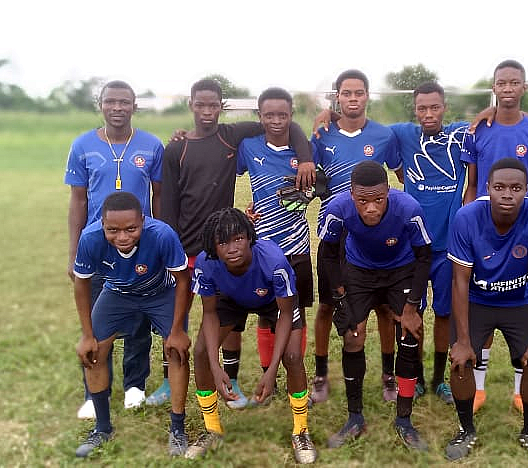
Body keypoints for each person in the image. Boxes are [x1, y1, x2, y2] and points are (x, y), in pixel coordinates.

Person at [155, 78, 314, 408]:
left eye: (213, 105)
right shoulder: (178, 148)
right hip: (188, 250)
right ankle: (171, 379)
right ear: (190, 105)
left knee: (236, 315)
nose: (207, 111)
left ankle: (240, 378)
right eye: (201, 105)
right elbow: (167, 201)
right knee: (182, 318)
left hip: (229, 247)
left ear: (222, 106)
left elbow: (287, 123)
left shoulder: (230, 136)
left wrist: (306, 157)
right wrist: (170, 249)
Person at [445, 158, 528, 461]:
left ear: (527, 190)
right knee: (460, 360)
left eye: (516, 188)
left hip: (518, 301)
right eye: (499, 187)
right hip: (476, 300)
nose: (507, 194)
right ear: (488, 188)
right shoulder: (467, 217)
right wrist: (463, 341)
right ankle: (466, 430)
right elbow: (459, 281)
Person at [462, 60, 528, 415]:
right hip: (484, 231)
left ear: (524, 87)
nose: (507, 89)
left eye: (514, 83)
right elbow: (472, 185)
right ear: (493, 87)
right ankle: (478, 389)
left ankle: (520, 391)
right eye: (501, 83)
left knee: (522, 303)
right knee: (482, 301)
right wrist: (466, 227)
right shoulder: (477, 130)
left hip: (523, 230)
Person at [186, 208, 316, 463]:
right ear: (213, 245)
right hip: (232, 299)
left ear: (249, 237)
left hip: (274, 301)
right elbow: (209, 313)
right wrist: (215, 367)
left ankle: (301, 431)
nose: (232, 248)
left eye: (238, 239)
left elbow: (285, 314)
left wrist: (271, 371)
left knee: (292, 356)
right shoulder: (205, 262)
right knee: (201, 352)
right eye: (223, 243)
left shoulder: (273, 261)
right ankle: (212, 429)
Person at [319, 161, 431, 450]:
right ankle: (355, 417)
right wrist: (340, 296)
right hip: (359, 271)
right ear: (351, 195)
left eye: (378, 200)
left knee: (409, 337)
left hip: (401, 270)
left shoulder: (409, 209)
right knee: (352, 337)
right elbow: (328, 254)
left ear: (388, 192)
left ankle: (404, 420)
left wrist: (411, 308)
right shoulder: (337, 209)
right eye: (363, 201)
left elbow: (424, 257)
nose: (371, 208)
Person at [72, 192, 191, 457]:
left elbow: (183, 280)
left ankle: (177, 428)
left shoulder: (162, 235)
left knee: (177, 351)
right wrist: (87, 335)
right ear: (102, 224)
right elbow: (81, 284)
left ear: (143, 221)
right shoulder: (90, 238)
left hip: (160, 293)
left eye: (131, 229)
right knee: (93, 352)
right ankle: (103, 429)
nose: (123, 237)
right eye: (112, 230)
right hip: (118, 293)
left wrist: (177, 331)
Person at [65, 80, 157, 418]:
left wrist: (159, 244)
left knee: (138, 318)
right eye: (110, 101)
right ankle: (94, 393)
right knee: (96, 321)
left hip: (139, 245)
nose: (117, 108)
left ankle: (135, 385)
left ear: (134, 106)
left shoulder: (151, 145)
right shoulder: (83, 145)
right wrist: (73, 252)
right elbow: (77, 201)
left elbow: (160, 197)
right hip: (97, 248)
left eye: (124, 102)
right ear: (100, 104)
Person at [309, 69, 400, 405]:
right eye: (346, 93)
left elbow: (401, 175)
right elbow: (306, 172)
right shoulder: (322, 135)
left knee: (384, 308)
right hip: (335, 237)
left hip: (373, 236)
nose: (352, 98)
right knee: (327, 305)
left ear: (367, 96)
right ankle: (321, 374)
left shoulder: (384, 136)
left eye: (358, 92)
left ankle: (389, 375)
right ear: (337, 97)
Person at [387, 81, 470, 403]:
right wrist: (329, 114)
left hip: (450, 246)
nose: (428, 114)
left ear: (444, 107)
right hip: (413, 248)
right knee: (413, 312)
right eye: (422, 108)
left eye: (434, 107)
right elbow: (368, 129)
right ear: (415, 109)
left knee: (445, 313)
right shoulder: (404, 134)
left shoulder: (460, 135)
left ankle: (439, 378)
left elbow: (492, 121)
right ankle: (417, 375)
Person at [235, 87, 315, 406]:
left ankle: (296, 375)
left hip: (297, 246)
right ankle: (269, 375)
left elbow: (317, 186)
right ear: (260, 116)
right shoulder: (249, 147)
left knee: (297, 312)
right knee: (267, 313)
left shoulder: (305, 150)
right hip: (264, 248)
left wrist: (306, 161)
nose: (276, 121)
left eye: (283, 115)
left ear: (291, 115)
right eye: (269, 115)